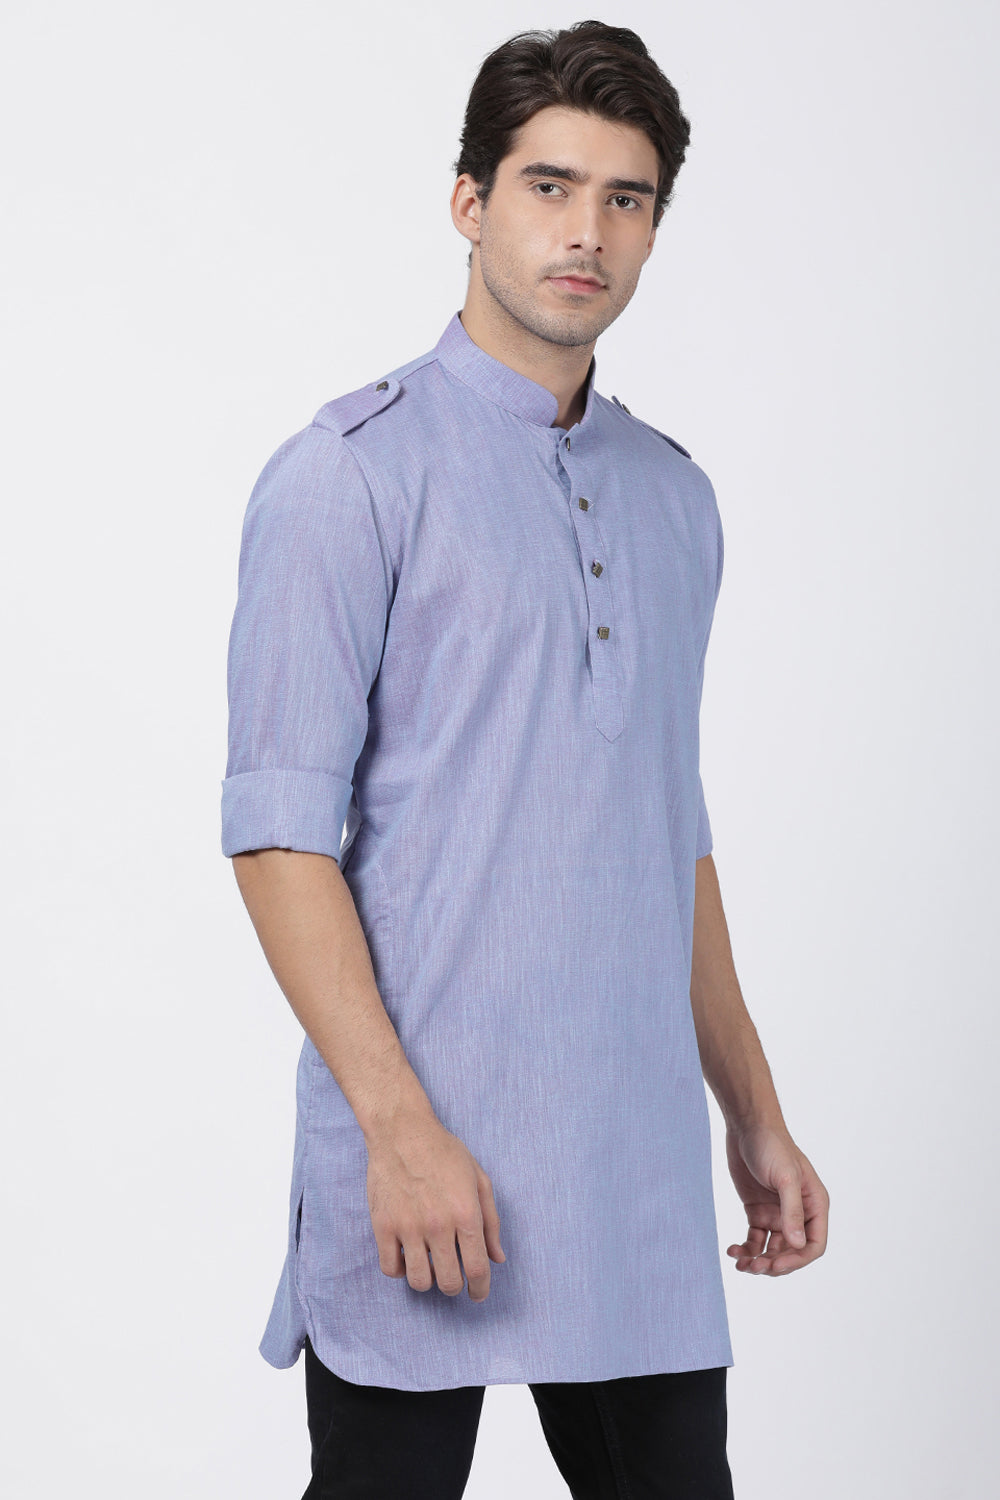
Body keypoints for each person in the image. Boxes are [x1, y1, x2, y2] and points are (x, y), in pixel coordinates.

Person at [221, 18, 829, 1498]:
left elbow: (668, 833)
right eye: (549, 186)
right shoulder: (349, 476)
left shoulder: (675, 500)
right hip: (425, 1160)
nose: (586, 233)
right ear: (469, 201)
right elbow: (279, 837)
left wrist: (751, 1108)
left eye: (627, 199)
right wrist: (398, 1132)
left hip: (633, 1180)